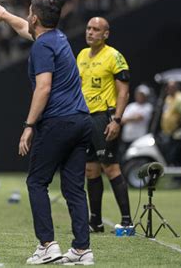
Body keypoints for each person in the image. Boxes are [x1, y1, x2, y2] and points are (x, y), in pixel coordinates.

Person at [0, 0, 94, 265]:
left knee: (37, 182)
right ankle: (82, 249)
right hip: (81, 120)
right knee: (73, 188)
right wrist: (5, 16)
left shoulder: (42, 47)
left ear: (35, 18)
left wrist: (28, 126)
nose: (27, 17)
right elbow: (26, 28)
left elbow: (44, 87)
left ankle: (47, 245)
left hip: (58, 121)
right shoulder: (57, 37)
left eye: (29, 14)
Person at [77, 17, 132, 232]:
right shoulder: (81, 55)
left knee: (110, 167)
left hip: (104, 118)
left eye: (96, 29)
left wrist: (117, 120)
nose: (90, 32)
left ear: (105, 34)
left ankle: (127, 221)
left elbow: (124, 92)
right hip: (85, 118)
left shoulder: (114, 56)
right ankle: (96, 222)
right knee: (90, 170)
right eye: (88, 28)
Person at [119, 84, 153, 157]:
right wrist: (132, 118)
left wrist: (128, 119)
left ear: (146, 96)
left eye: (142, 94)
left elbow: (139, 118)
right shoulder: (130, 106)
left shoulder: (148, 107)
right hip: (127, 138)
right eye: (138, 94)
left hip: (139, 139)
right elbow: (122, 120)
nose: (139, 96)